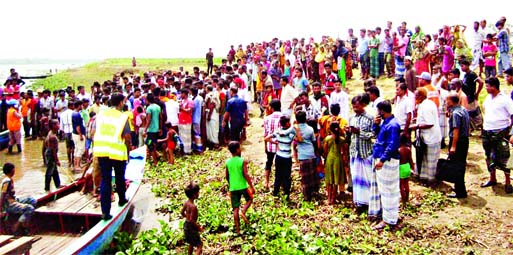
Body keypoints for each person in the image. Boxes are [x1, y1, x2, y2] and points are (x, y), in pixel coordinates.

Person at [93, 93, 132, 220]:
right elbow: (127, 137)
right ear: (120, 103)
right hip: (116, 151)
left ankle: (105, 212)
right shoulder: (122, 117)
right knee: (120, 177)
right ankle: (122, 199)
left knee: (106, 179)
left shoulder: (100, 115)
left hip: (101, 150)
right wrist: (129, 151)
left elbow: (94, 132)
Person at [371, 101, 401, 230]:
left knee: (388, 190)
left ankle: (389, 220)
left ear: (382, 111)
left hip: (387, 161)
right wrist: (375, 125)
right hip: (382, 158)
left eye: (379, 111)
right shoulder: (385, 123)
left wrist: (382, 160)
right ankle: (389, 215)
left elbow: (392, 145)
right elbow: (378, 136)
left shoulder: (393, 125)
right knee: (385, 190)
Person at [481, 78, 513, 194]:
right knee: (488, 155)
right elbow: (485, 110)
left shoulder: (505, 100)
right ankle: (492, 178)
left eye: (487, 86)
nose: (486, 88)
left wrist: (511, 132)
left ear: (494, 87)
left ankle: (508, 182)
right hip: (487, 130)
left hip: (501, 131)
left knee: (504, 156)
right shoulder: (488, 98)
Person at [411, 87, 441, 184]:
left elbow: (430, 123)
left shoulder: (427, 106)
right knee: (424, 158)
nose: (415, 98)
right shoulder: (422, 104)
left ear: (421, 96)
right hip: (425, 137)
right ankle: (423, 177)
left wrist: (416, 126)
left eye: (416, 96)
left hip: (431, 137)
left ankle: (431, 180)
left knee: (430, 160)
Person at [225, 141, 255, 234]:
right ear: (238, 149)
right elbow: (245, 174)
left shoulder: (228, 162)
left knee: (235, 209)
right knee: (250, 199)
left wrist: (231, 185)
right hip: (242, 186)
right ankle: (243, 211)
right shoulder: (242, 161)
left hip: (233, 188)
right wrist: (251, 186)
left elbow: (227, 176)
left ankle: (238, 230)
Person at [264, 115, 298, 197]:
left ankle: (276, 192)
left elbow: (266, 138)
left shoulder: (278, 131)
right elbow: (297, 138)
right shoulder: (290, 134)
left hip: (278, 156)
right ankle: (286, 193)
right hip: (287, 158)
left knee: (278, 175)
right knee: (286, 175)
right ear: (286, 124)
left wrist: (275, 143)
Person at [0, 163, 37, 235]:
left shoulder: (9, 179)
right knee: (30, 208)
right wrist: (1, 209)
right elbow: (2, 195)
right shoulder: (7, 181)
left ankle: (24, 221)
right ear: (12, 170)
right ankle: (17, 225)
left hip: (14, 200)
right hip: (9, 204)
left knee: (32, 200)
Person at [446, 92, 470, 198]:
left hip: (457, 141)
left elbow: (456, 130)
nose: (446, 102)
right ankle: (459, 187)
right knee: (461, 164)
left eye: (447, 100)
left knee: (456, 165)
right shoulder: (463, 110)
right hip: (464, 140)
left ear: (451, 101)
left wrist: (453, 146)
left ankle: (460, 191)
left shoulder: (456, 113)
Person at [295, 111, 319, 201]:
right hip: (311, 154)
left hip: (302, 156)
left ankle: (307, 197)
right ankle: (314, 193)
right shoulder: (310, 129)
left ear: (297, 119)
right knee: (312, 175)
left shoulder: (295, 130)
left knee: (304, 178)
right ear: (305, 118)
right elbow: (314, 141)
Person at [323, 121, 345, 205]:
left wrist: (326, 156)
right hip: (338, 159)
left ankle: (328, 198)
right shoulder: (342, 139)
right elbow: (344, 151)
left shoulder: (327, 138)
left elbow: (325, 150)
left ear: (330, 129)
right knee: (336, 180)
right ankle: (333, 199)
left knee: (329, 179)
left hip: (329, 159)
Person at [263, 99, 282, 190]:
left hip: (270, 144)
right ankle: (279, 182)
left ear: (272, 108)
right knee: (280, 165)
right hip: (281, 145)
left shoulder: (267, 118)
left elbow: (265, 134)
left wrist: (265, 146)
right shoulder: (284, 117)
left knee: (269, 162)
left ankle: (266, 182)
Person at [180, 182, 203, 255]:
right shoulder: (193, 207)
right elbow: (192, 221)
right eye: (198, 192)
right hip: (191, 227)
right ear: (194, 195)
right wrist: (199, 228)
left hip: (186, 225)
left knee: (191, 243)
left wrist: (186, 217)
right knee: (200, 245)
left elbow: (182, 212)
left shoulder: (186, 203)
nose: (199, 193)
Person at [45, 119, 62, 192]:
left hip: (49, 152)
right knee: (49, 171)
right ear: (53, 126)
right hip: (51, 154)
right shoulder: (53, 137)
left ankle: (58, 184)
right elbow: (53, 151)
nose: (59, 125)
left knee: (54, 170)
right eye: (57, 124)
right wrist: (57, 160)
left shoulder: (51, 133)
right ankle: (47, 188)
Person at [398, 133, 413, 204]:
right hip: (407, 166)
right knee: (406, 184)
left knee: (401, 185)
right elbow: (410, 159)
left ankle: (403, 200)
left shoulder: (399, 150)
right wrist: (412, 167)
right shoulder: (408, 149)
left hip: (401, 167)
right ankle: (407, 198)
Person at [178, 89, 194, 154]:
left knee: (187, 136)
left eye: (181, 94)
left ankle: (187, 150)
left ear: (185, 94)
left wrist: (181, 108)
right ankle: (182, 149)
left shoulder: (190, 101)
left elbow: (189, 111)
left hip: (187, 120)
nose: (180, 95)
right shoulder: (182, 101)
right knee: (181, 135)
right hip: (181, 120)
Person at [71, 100, 86, 171]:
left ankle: (75, 164)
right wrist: (80, 135)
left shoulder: (74, 113)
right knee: (80, 149)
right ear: (79, 106)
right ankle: (77, 165)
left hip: (75, 134)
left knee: (77, 149)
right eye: (81, 105)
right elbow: (78, 126)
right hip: (78, 134)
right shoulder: (77, 115)